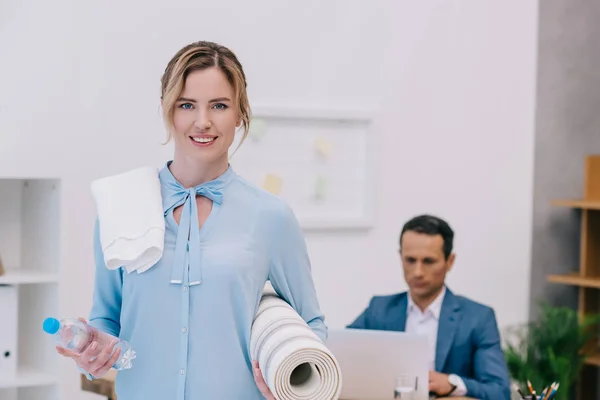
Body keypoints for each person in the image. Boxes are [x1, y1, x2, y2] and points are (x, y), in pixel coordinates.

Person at [56, 41, 326, 400]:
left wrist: (295, 385)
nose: (203, 121)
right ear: (169, 112)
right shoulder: (121, 206)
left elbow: (312, 326)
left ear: (241, 114)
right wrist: (91, 352)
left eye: (219, 105)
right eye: (187, 105)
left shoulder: (270, 217)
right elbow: (106, 317)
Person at [347, 215, 510, 400]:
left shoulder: (477, 318)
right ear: (400, 257)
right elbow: (339, 359)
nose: (418, 272)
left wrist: (452, 383)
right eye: (410, 260)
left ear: (450, 261)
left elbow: (499, 391)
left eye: (428, 261)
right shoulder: (379, 309)